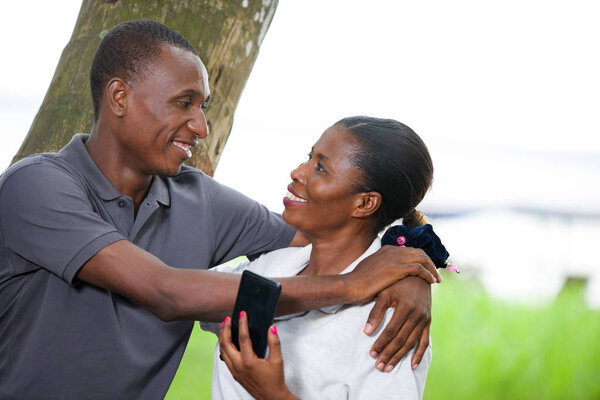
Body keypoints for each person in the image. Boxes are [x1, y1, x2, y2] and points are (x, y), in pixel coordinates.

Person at [0, 21, 440, 399]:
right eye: (184, 103)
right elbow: (166, 292)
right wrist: (351, 286)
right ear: (119, 97)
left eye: (203, 106)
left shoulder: (200, 199)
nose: (201, 126)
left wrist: (410, 268)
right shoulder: (36, 187)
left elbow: (328, 230)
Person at [206, 116, 445, 399]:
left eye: (320, 168)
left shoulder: (388, 324)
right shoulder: (273, 266)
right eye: (308, 158)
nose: (297, 172)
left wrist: (275, 394)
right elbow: (178, 296)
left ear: (365, 203)